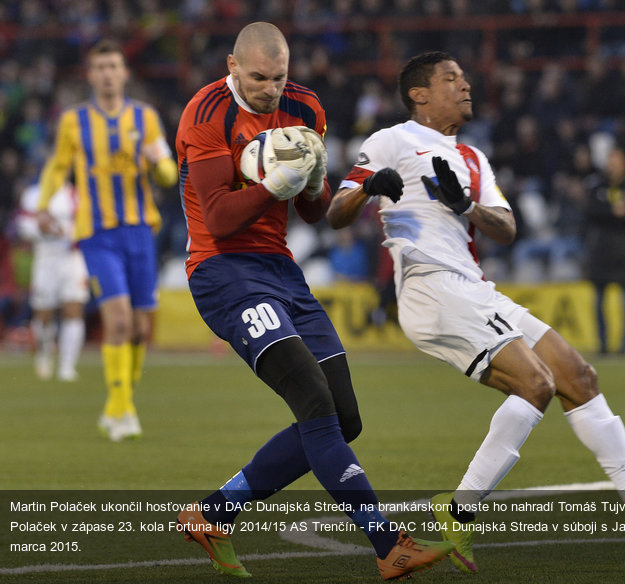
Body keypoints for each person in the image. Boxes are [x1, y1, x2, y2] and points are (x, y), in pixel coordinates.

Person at [328, 51, 625, 573]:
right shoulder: (390, 141)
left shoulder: (473, 158)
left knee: (578, 376)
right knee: (535, 383)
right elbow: (336, 211)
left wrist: (464, 205)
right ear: (419, 94)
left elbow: (507, 228)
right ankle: (461, 511)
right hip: (430, 287)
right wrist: (371, 187)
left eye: (465, 78)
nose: (465, 86)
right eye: (451, 79)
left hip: (474, 288)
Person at [173, 22, 453, 580]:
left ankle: (211, 514)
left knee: (343, 418)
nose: (270, 88)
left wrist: (317, 181)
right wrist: (277, 183)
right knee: (313, 402)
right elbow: (222, 220)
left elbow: (311, 211)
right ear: (232, 65)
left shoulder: (304, 107)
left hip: (281, 271)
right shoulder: (205, 114)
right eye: (258, 78)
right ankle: (388, 544)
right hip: (224, 272)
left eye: (278, 77)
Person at [37, 39, 178, 441]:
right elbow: (57, 166)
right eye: (100, 67)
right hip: (97, 234)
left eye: (114, 66)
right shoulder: (73, 122)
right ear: (90, 75)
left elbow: (168, 175)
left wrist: (159, 163)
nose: (107, 73)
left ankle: (119, 404)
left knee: (138, 328)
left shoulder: (145, 118)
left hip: (140, 232)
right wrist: (44, 204)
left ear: (124, 73)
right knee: (116, 321)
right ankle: (123, 409)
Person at [17, 182, 88, 381]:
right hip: (45, 257)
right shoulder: (34, 194)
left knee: (73, 309)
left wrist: (68, 233)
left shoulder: (76, 193)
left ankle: (67, 366)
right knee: (43, 313)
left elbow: (87, 223)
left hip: (72, 257)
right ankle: (44, 354)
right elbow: (22, 226)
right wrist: (43, 230)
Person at [583, 147, 625, 355]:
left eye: (616, 162)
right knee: (599, 301)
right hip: (601, 250)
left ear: (624, 164)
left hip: (624, 250)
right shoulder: (596, 187)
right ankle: (603, 344)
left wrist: (611, 214)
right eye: (610, 162)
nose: (613, 167)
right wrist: (613, 211)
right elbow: (589, 212)